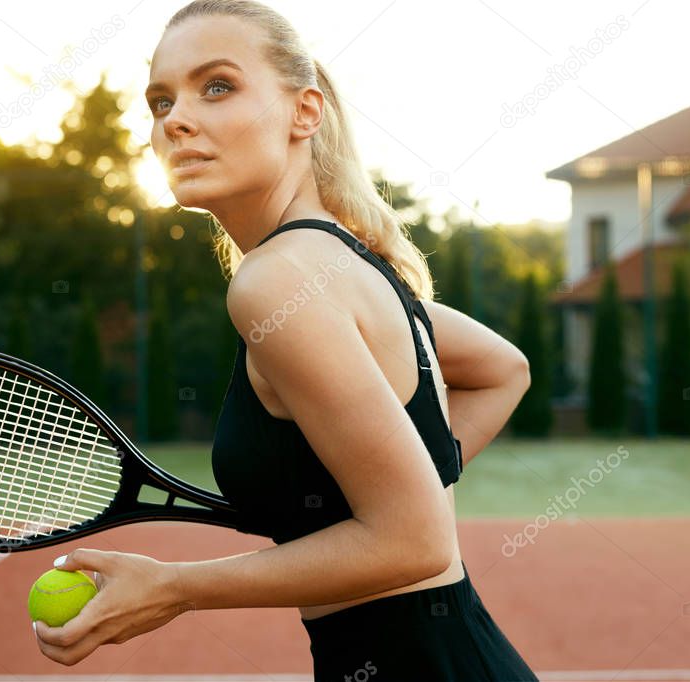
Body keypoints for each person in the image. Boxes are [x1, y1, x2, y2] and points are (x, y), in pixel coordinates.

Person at [35, 1, 539, 678]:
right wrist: (347, 509)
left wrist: (174, 588)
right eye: (160, 100)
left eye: (217, 86)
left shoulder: (274, 283)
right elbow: (504, 368)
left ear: (305, 112)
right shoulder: (346, 266)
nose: (175, 118)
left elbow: (414, 541)